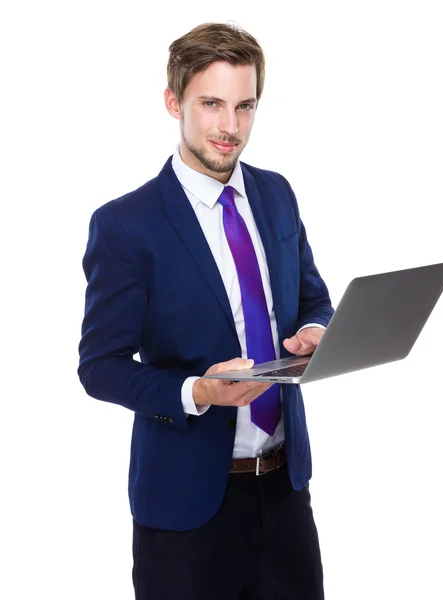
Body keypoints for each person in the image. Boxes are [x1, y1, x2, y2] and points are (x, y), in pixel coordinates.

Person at [78, 21, 334, 600]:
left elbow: (313, 298)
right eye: (212, 104)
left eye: (245, 106)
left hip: (285, 491)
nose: (231, 127)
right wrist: (199, 390)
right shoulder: (126, 225)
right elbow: (99, 365)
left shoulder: (277, 194)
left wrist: (316, 331)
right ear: (175, 103)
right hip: (187, 508)